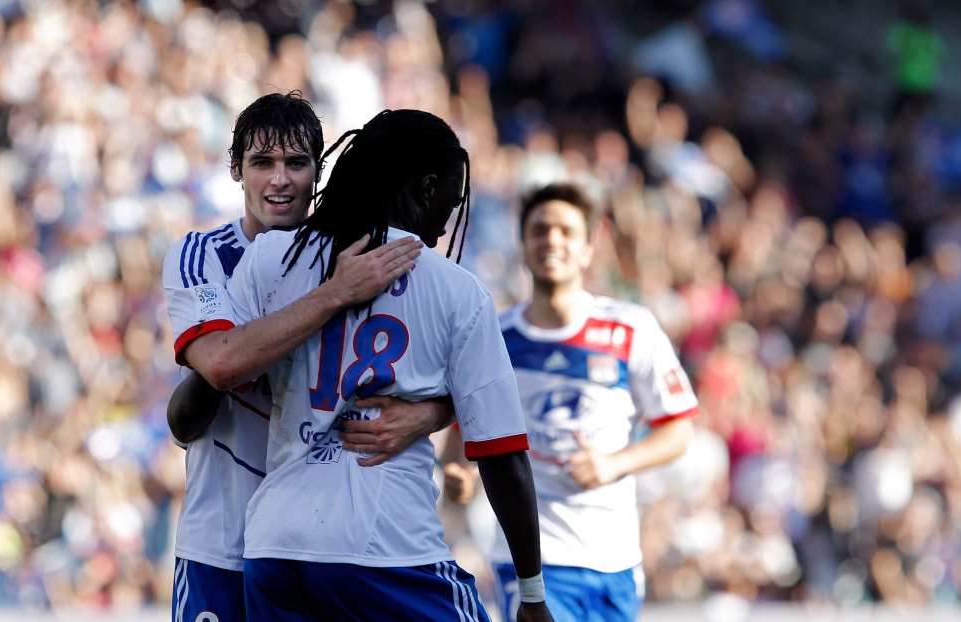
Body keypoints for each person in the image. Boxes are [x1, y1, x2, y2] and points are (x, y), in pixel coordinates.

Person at [226, 109, 554, 622]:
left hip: (274, 547)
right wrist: (532, 595)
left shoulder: (271, 258)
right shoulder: (454, 289)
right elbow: (502, 453)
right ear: (427, 188)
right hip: (386, 545)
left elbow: (220, 373)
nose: (448, 221)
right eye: (450, 199)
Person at [161, 93, 450, 622]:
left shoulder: (365, 255)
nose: (280, 180)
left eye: (296, 164)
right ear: (235, 170)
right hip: (221, 543)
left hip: (323, 545)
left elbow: (453, 359)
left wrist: (433, 412)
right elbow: (217, 371)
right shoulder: (204, 255)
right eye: (262, 163)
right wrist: (334, 294)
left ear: (319, 172)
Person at [444, 182, 698, 622]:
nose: (552, 241)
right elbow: (461, 427)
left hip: (614, 562)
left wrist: (615, 463)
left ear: (588, 247)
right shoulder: (494, 337)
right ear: (522, 244)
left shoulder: (630, 330)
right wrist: (458, 471)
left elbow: (678, 430)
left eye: (565, 230)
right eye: (540, 230)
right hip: (528, 563)